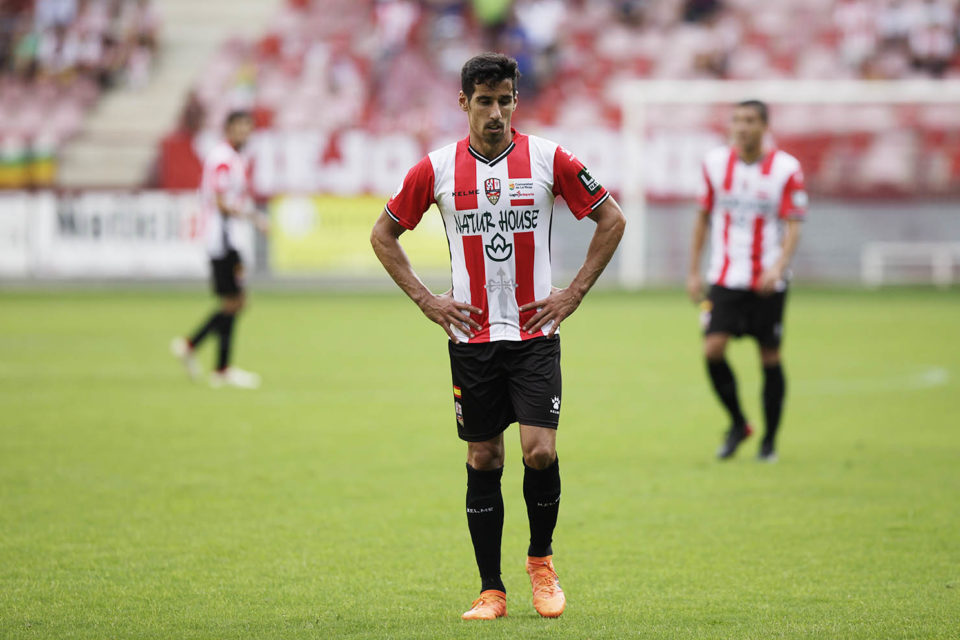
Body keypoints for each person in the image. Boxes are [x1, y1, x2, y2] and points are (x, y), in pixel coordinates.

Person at [370, 52, 624, 621]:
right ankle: (491, 590)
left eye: (504, 101)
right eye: (484, 101)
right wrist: (428, 301)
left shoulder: (549, 159)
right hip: (473, 340)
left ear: (515, 101)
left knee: (540, 451)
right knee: (484, 457)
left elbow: (612, 219)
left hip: (535, 334)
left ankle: (541, 563)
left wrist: (572, 294)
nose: (495, 113)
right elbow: (383, 235)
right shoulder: (436, 168)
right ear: (464, 102)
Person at [687, 99, 807, 462]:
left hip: (767, 279)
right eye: (737, 120)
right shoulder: (714, 163)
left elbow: (794, 224)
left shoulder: (786, 169)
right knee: (713, 349)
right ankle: (739, 423)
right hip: (725, 276)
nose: (742, 126)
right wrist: (693, 271)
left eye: (750, 120)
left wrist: (778, 267)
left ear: (764, 126)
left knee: (769, 355)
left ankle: (769, 441)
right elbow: (703, 217)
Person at [170, 110, 268, 389]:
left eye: (248, 128)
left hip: (228, 239)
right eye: (239, 128)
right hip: (223, 239)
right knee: (235, 302)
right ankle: (196, 349)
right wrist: (254, 217)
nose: (244, 133)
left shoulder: (231, 158)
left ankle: (215, 363)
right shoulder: (223, 159)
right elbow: (221, 201)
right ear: (228, 129)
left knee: (235, 302)